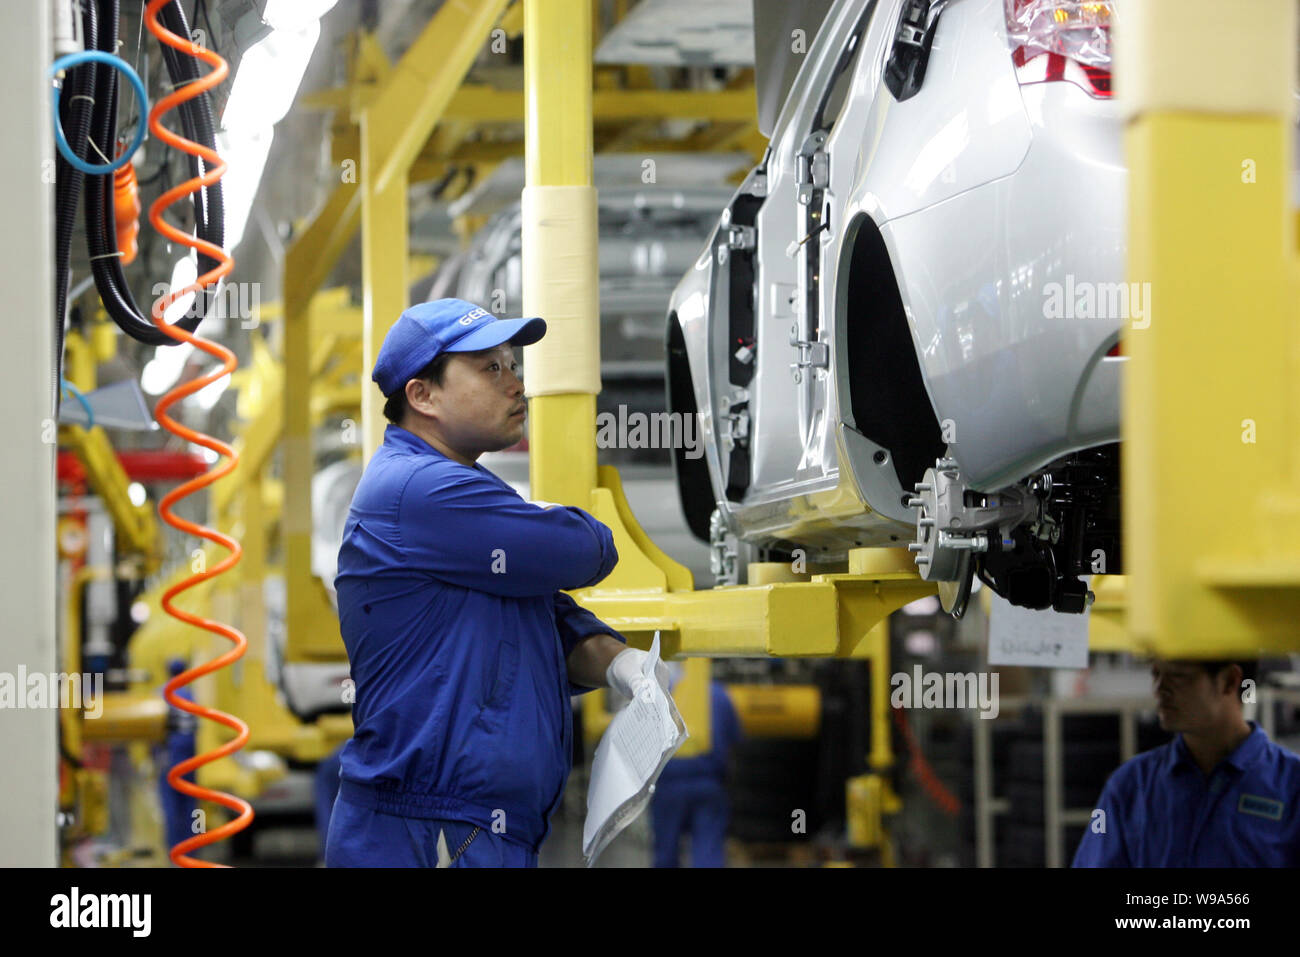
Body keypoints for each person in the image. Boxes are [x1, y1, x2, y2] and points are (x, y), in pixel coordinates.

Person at [325, 298, 668, 868]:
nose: (516, 385)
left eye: (513, 365)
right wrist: (556, 522)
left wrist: (618, 665)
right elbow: (586, 549)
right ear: (423, 396)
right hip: (428, 833)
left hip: (467, 829)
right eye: (491, 368)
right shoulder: (419, 490)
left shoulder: (458, 496)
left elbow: (535, 616)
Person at [1073, 658, 1300, 867]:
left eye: (1179, 676)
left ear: (1230, 681)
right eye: (1156, 674)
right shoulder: (1130, 786)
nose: (1160, 689)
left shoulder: (1292, 786)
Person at [650, 675, 742, 867]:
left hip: (669, 786)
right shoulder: (720, 695)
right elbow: (734, 743)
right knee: (708, 854)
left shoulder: (666, 695)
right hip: (708, 784)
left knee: (665, 854)